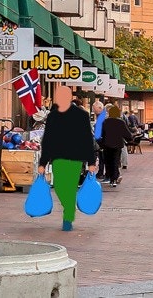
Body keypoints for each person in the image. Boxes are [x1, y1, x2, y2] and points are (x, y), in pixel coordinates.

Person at [37, 83, 97, 233]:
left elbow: (87, 139)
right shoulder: (53, 116)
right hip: (58, 157)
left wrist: (91, 162)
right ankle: (70, 205)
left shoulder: (81, 115)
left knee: (69, 187)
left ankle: (68, 216)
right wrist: (42, 163)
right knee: (58, 187)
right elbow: (48, 140)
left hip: (75, 158)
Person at [99, 105, 129, 188]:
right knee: (115, 161)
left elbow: (100, 135)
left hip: (107, 145)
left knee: (108, 162)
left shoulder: (105, 122)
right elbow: (127, 134)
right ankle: (114, 179)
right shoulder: (121, 122)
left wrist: (101, 144)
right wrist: (128, 139)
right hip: (117, 145)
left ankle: (110, 178)